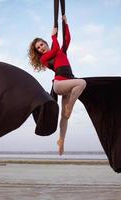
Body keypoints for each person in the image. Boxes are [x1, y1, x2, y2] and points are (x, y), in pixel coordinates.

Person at [28, 15, 86, 156]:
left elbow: (67, 40)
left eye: (41, 44)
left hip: (68, 83)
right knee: (82, 82)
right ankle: (69, 107)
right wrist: (54, 36)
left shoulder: (61, 51)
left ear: (45, 43)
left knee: (64, 117)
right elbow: (55, 49)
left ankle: (61, 140)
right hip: (59, 84)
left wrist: (65, 23)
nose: (41, 48)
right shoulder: (44, 58)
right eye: (38, 48)